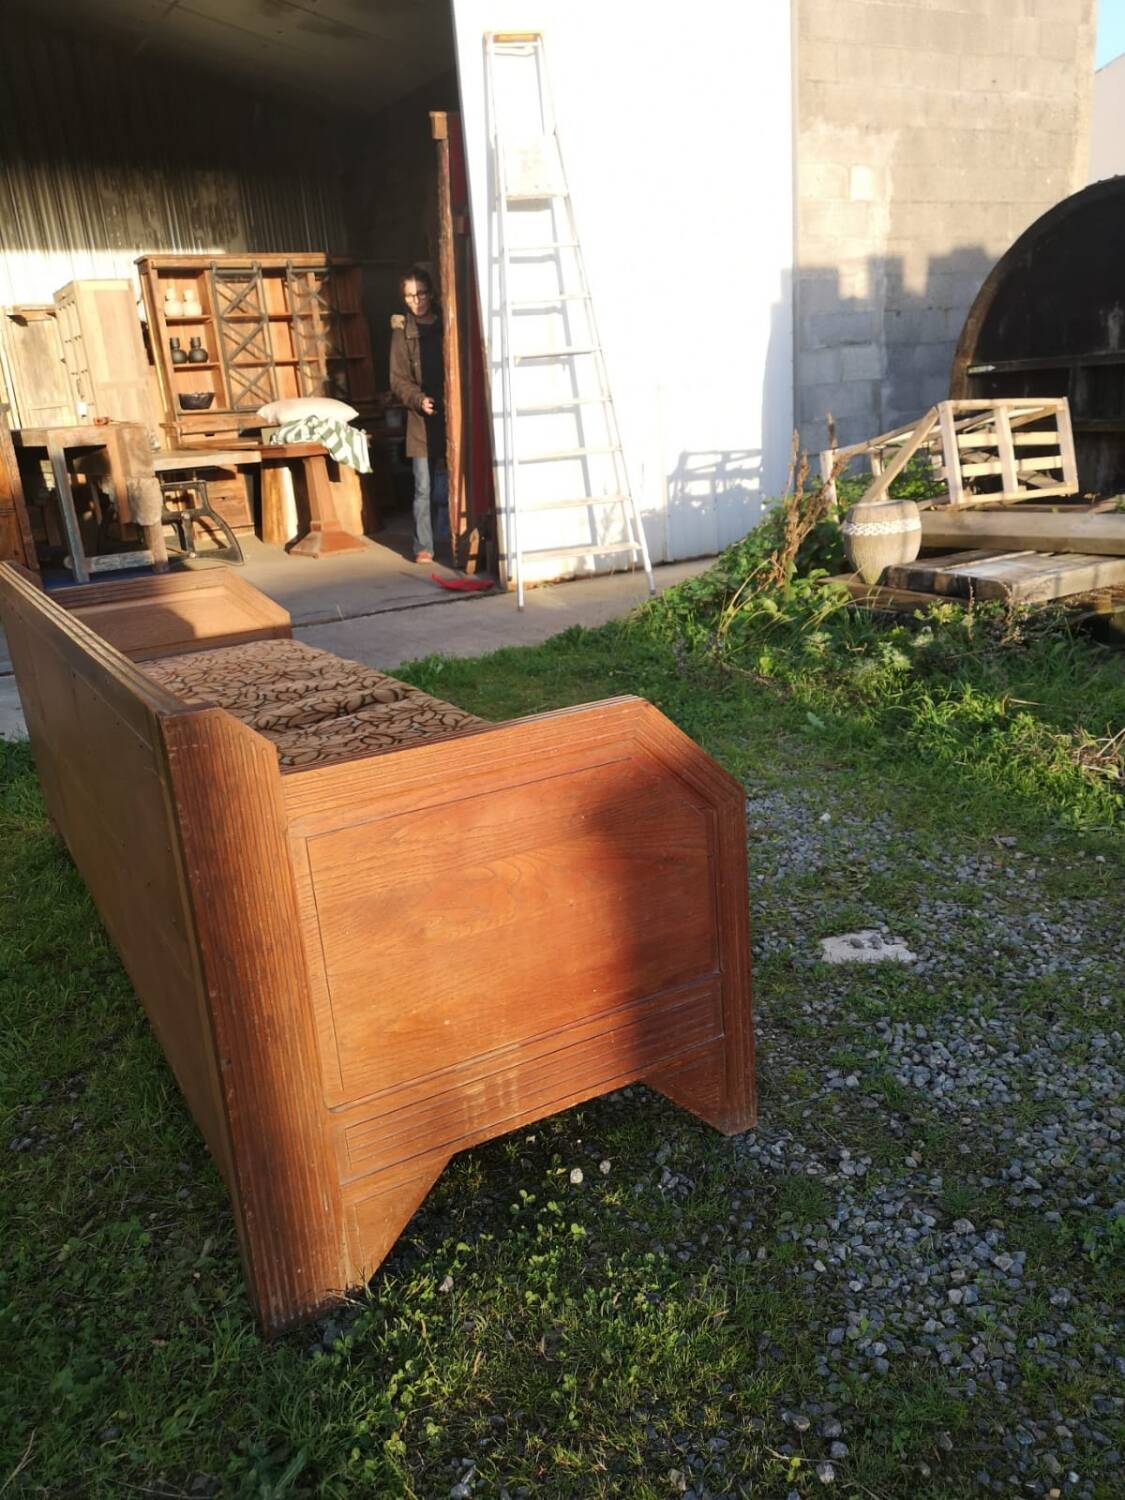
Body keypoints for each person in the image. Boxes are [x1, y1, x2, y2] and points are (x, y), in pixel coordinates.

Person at [389, 265, 449, 563]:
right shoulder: (402, 333)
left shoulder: (446, 324)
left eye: (421, 293)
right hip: (420, 418)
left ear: (431, 293)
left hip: (450, 414)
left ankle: (452, 539)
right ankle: (424, 545)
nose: (417, 301)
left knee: (451, 482)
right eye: (410, 296)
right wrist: (417, 399)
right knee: (423, 486)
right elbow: (397, 379)